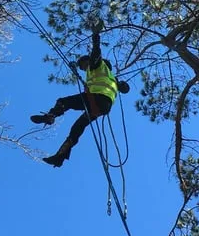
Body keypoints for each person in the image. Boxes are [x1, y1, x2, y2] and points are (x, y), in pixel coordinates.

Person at [30, 31, 130, 167]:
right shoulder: (111, 77)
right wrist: (122, 86)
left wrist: (96, 38)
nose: (83, 68)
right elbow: (125, 89)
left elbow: (96, 53)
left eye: (83, 65)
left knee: (64, 102)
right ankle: (59, 157)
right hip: (102, 106)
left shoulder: (97, 65)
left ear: (88, 61)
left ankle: (51, 116)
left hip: (97, 99)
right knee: (77, 127)